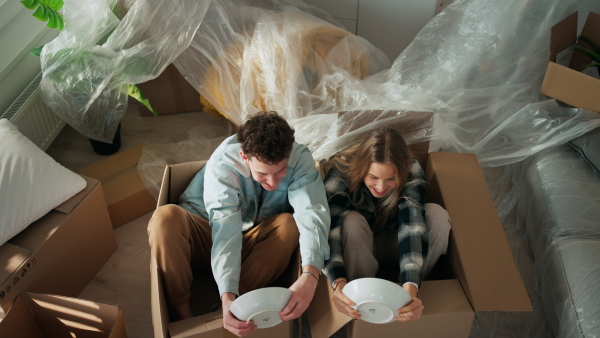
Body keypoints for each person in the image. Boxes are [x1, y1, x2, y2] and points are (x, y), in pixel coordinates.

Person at [147, 111, 330, 337]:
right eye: (263, 174)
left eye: (281, 171)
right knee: (164, 219)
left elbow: (312, 212)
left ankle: (229, 310)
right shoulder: (223, 165)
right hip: (209, 233)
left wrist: (311, 276)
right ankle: (184, 316)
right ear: (245, 157)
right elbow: (226, 232)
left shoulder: (300, 157)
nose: (272, 183)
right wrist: (227, 292)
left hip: (253, 244)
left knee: (289, 225)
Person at [321, 127, 451, 322]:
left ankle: (410, 288)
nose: (381, 187)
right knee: (351, 221)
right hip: (359, 249)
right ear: (361, 167)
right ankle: (362, 297)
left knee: (437, 216)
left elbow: (413, 223)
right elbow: (328, 229)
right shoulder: (341, 171)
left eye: (391, 179)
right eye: (373, 177)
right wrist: (338, 283)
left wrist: (410, 289)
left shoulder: (411, 167)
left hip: (397, 244)